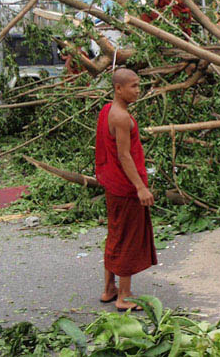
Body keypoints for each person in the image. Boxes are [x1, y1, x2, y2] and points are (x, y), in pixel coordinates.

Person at [95, 68, 157, 312]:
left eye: (139, 85)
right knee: (129, 238)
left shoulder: (108, 110)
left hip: (114, 184)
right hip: (126, 186)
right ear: (118, 88)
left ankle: (109, 288)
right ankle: (124, 295)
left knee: (116, 234)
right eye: (133, 86)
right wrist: (141, 187)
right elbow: (123, 155)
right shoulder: (121, 117)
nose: (138, 90)